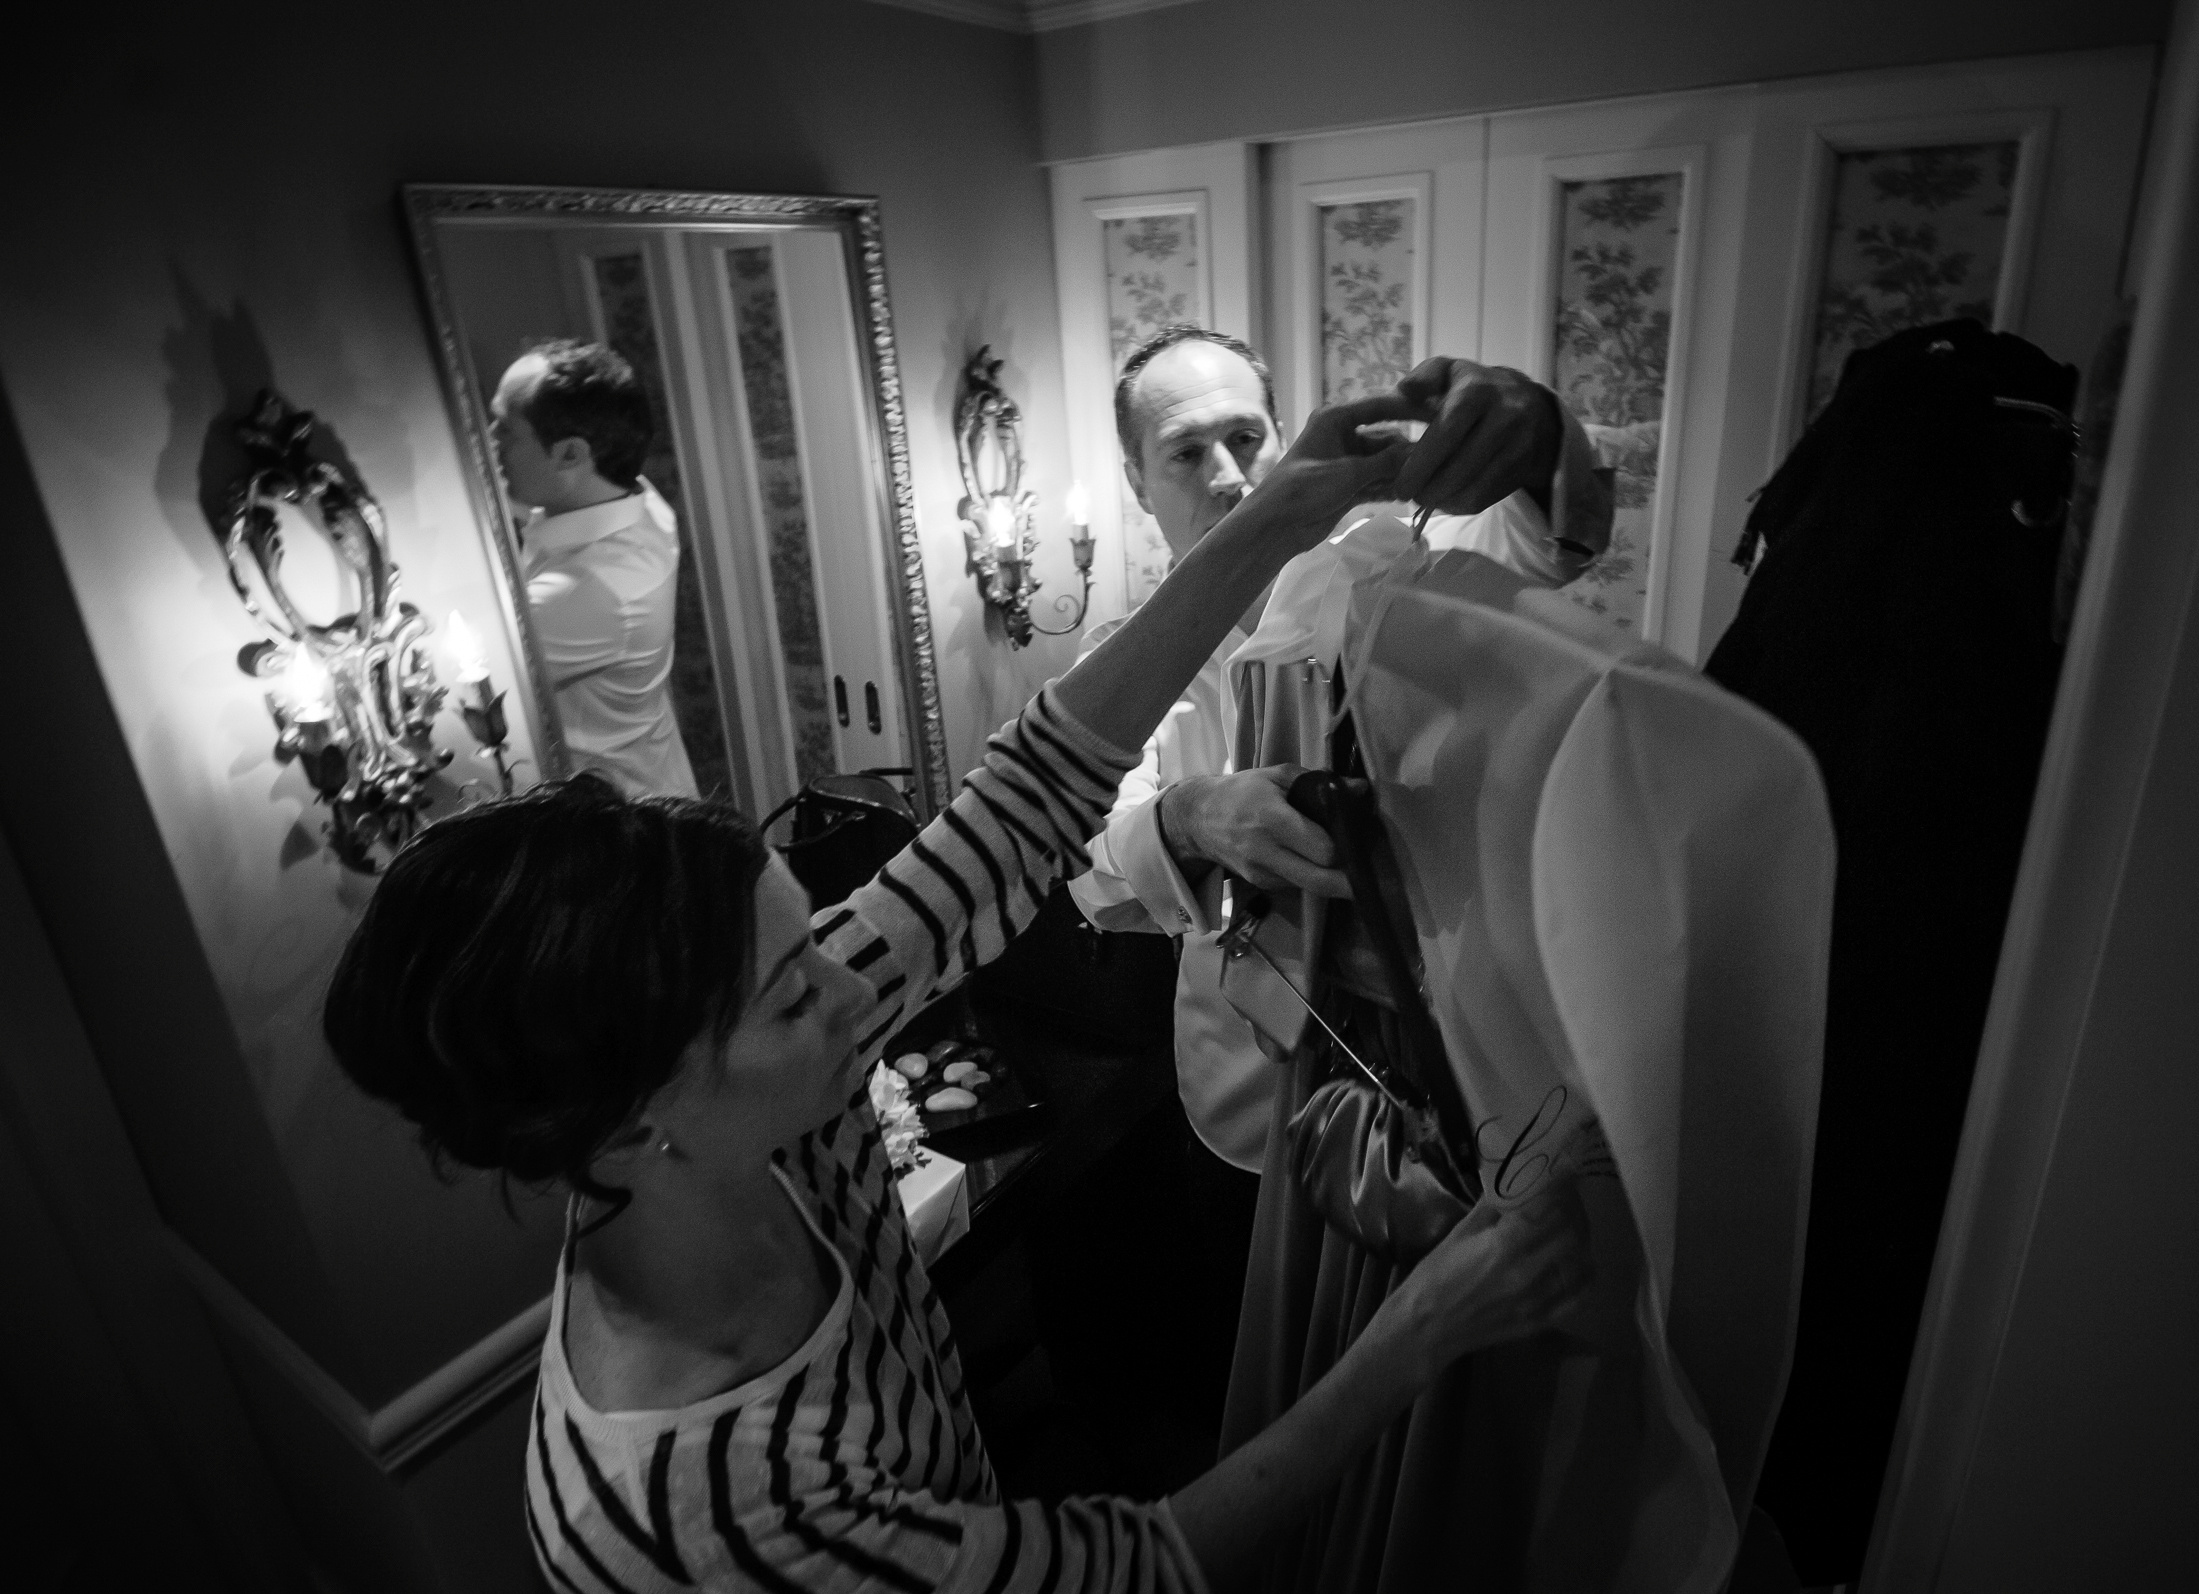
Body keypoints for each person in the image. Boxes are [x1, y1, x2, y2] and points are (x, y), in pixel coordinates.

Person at [323, 376, 1609, 1594]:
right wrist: (1427, 1329)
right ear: (637, 1116)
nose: (855, 990)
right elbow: (1144, 1566)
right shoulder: (719, 1520)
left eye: (813, 940)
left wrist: (1292, 506)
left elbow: (1022, 805)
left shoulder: (738, 1114)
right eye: (791, 990)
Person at [1068, 329, 1601, 1178]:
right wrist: (1189, 815)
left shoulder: (1389, 578)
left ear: (1282, 441)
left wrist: (1536, 438)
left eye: (1246, 437)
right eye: (1185, 452)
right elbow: (1090, 869)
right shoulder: (1117, 663)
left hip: (1435, 1086)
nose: (1229, 475)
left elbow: (1542, 544)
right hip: (1240, 1091)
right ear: (1136, 481)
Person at [491, 338, 699, 797]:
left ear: (570, 455)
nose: (488, 441)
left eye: (504, 429)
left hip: (621, 821)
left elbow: (472, 680)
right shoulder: (635, 497)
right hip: (650, 764)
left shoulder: (589, 591)